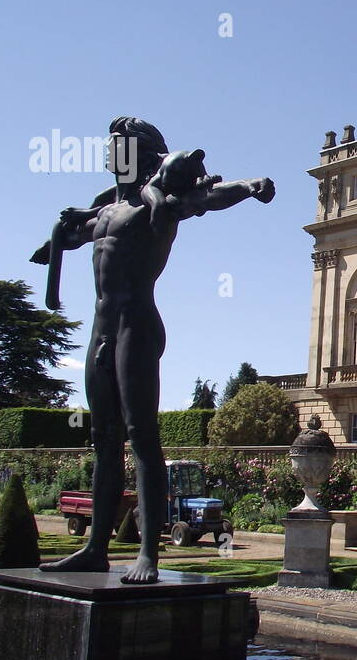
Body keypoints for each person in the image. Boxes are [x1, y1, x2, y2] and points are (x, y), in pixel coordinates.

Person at [30, 117, 275, 584]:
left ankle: (147, 554)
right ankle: (95, 550)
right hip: (100, 330)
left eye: (118, 148)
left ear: (140, 155)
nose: (109, 156)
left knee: (143, 438)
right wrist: (53, 243)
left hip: (136, 326)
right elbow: (75, 234)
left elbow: (208, 197)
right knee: (104, 440)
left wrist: (248, 185)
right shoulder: (103, 208)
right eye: (108, 149)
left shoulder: (157, 202)